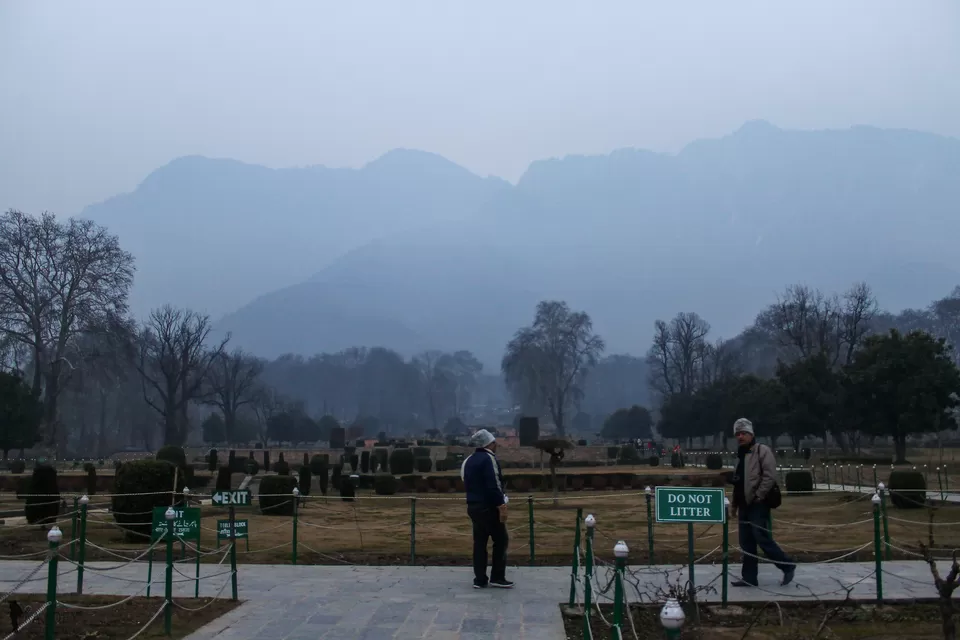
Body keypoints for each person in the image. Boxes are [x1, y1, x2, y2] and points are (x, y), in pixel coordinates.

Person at [731, 418, 796, 587]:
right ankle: (749, 578)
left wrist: (759, 496)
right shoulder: (740, 455)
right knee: (746, 542)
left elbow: (769, 476)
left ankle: (786, 565)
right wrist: (735, 505)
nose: (740, 437)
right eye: (738, 434)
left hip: (758, 503)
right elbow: (738, 482)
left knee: (761, 537)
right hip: (744, 504)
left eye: (743, 433)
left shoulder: (762, 451)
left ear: (751, 434)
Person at [461, 428, 513, 589]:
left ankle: (480, 579)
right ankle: (497, 577)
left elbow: (465, 479)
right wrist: (501, 501)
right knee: (501, 540)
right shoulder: (488, 459)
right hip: (488, 507)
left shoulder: (469, 460)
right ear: (489, 444)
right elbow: (494, 484)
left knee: (480, 542)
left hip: (473, 505)